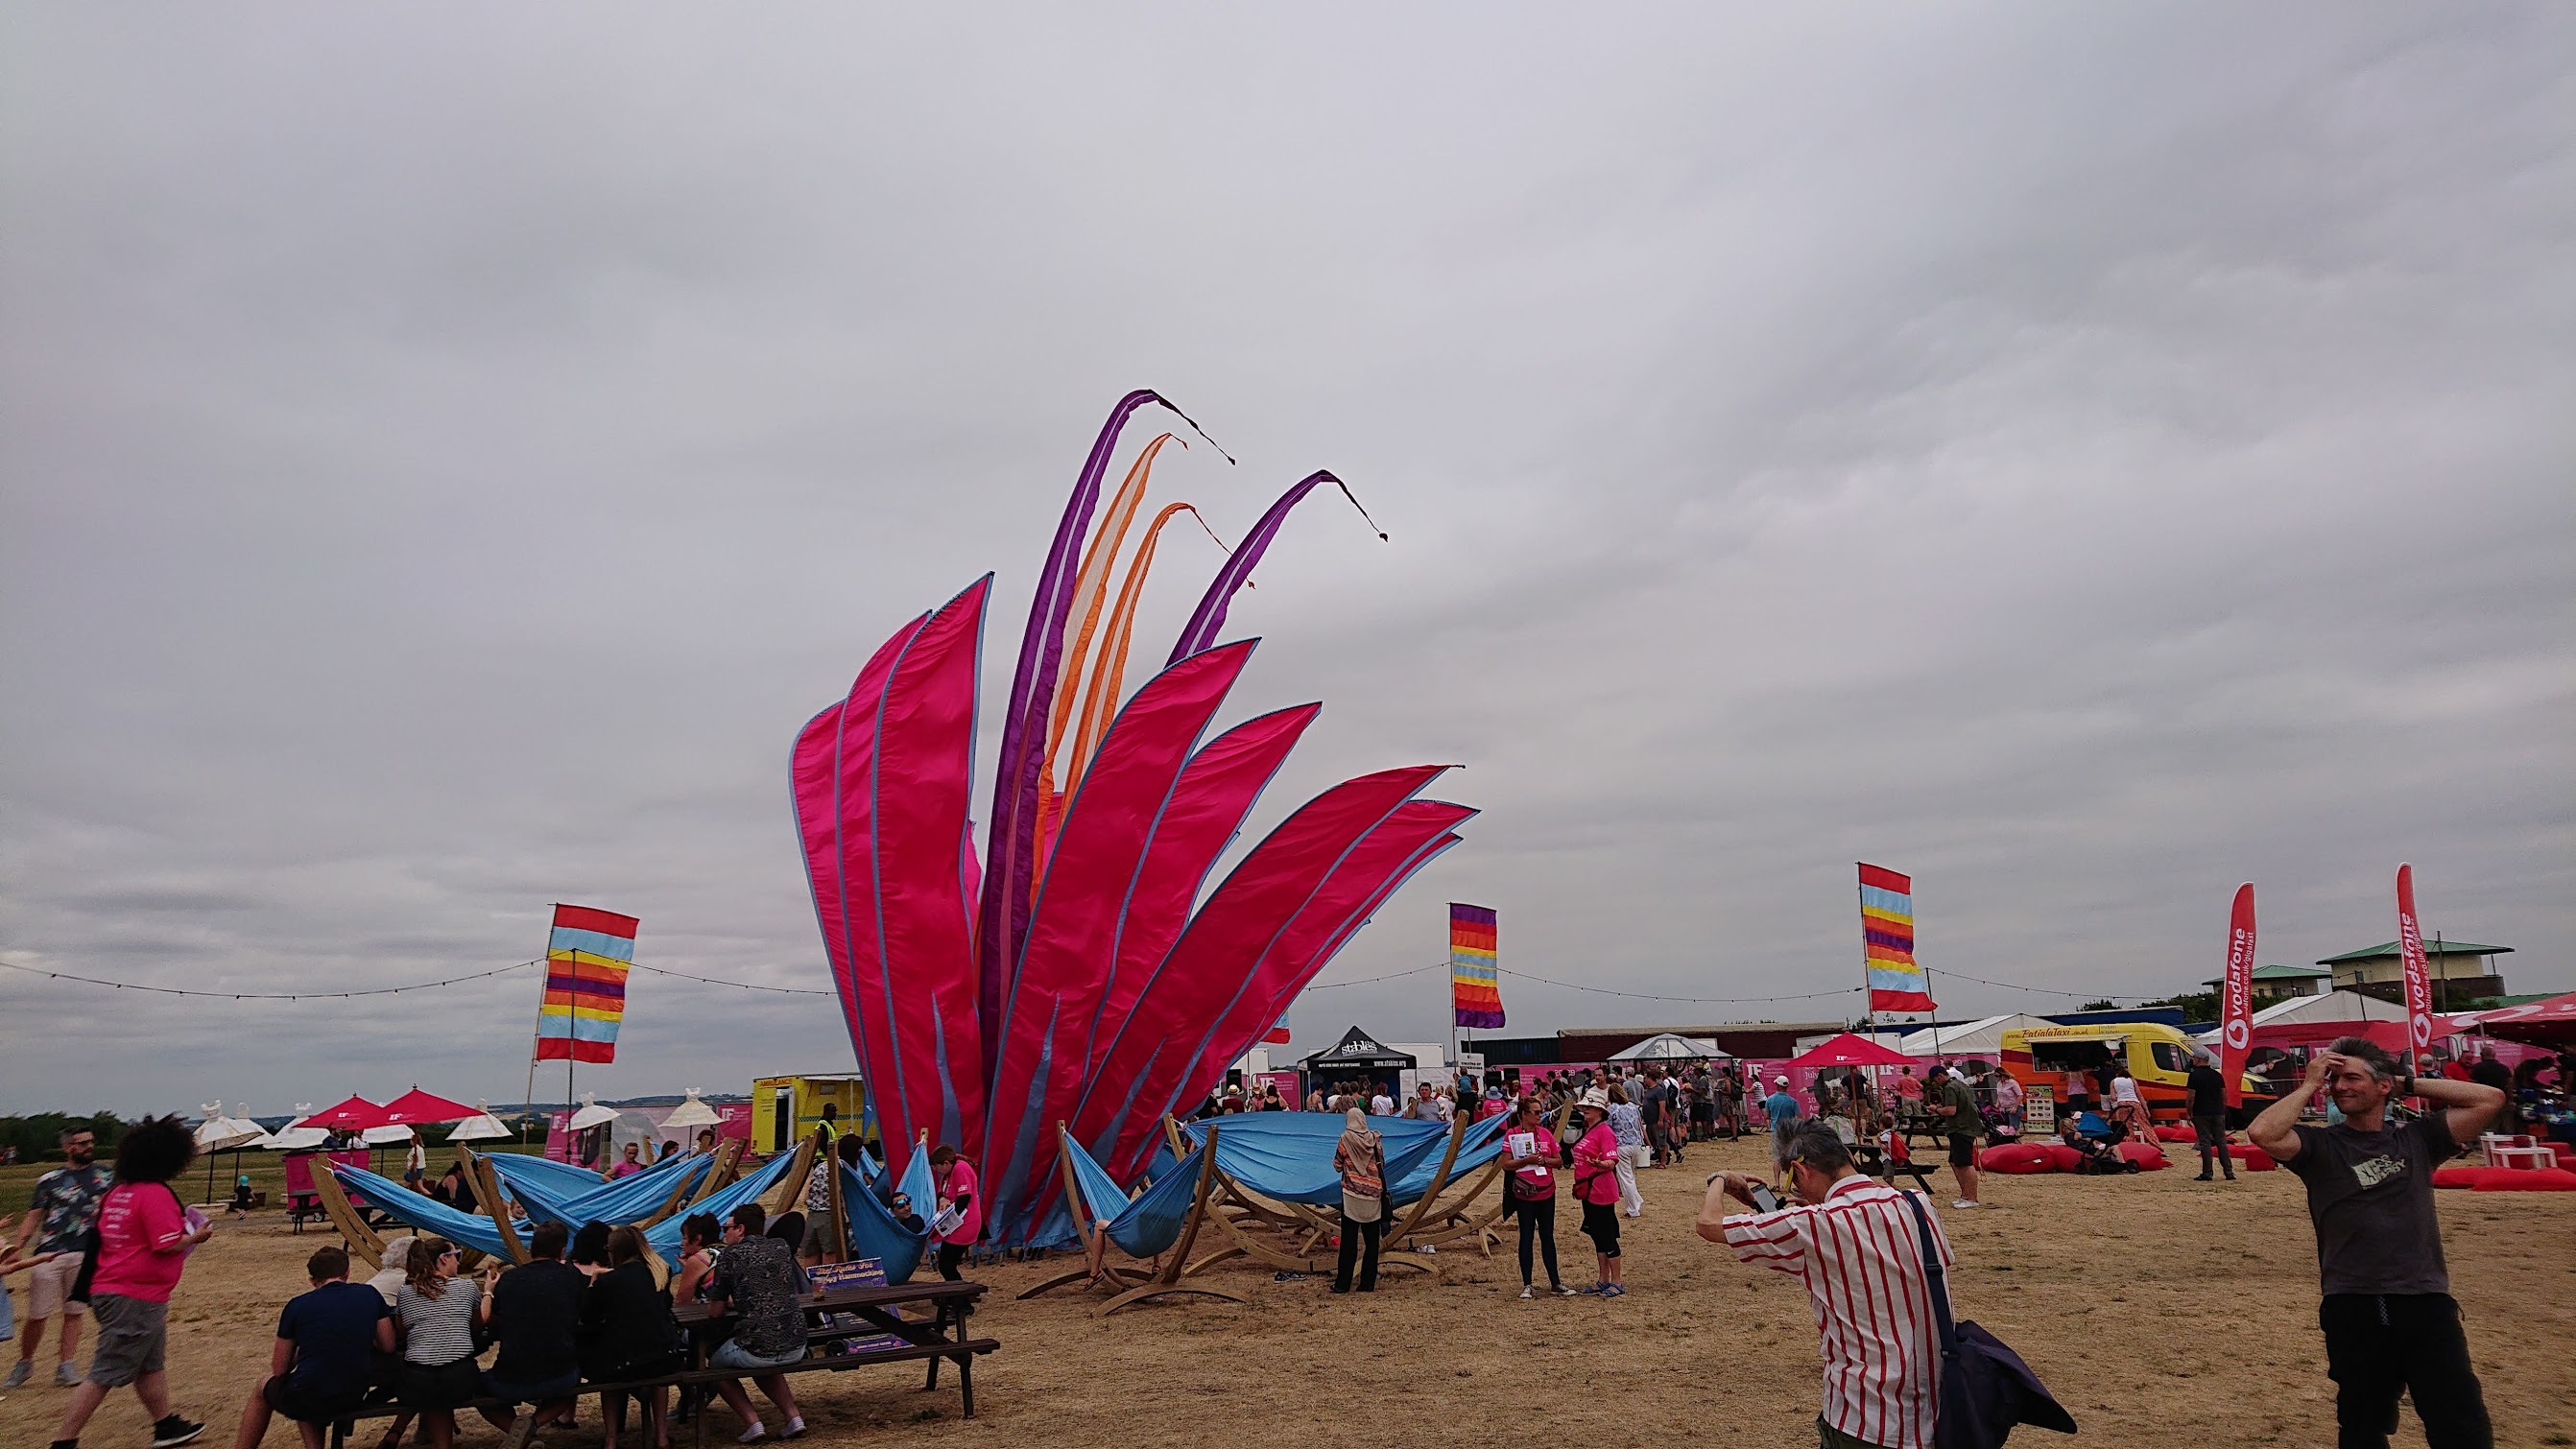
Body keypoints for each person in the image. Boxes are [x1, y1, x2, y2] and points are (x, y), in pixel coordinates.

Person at [2248, 1036, 2503, 1448]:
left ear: (2383, 1086)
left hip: (2423, 1299)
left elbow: (2488, 1099)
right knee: (2363, 1426)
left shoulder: (2419, 1139)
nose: (2340, 1086)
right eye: (2335, 1079)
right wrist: (2309, 1084)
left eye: (2352, 1078)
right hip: (2353, 1302)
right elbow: (2262, 1132)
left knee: (2459, 1422)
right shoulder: (2320, 1146)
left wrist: (2405, 1082)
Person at [1699, 1125, 1953, 1449]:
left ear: (1801, 1171)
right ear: (1847, 1156)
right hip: (1938, 1408)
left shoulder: (1815, 1225)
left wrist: (1720, 1179)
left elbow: (1708, 1225)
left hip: (1864, 1417)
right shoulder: (1917, 1205)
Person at [51, 1114, 212, 1449]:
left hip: (113, 1289)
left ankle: (166, 1425)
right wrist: (197, 1236)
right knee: (104, 1373)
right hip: (135, 1297)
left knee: (149, 1365)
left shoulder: (117, 1193)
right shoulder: (154, 1194)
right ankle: (64, 1441)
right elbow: (165, 1242)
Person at [231, 1247, 392, 1449]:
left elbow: (279, 1369)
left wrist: (305, 1351)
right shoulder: (369, 1295)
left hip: (310, 1393)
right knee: (312, 1383)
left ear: (312, 1280)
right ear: (347, 1272)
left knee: (271, 1386)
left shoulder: (297, 1306)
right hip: (354, 1392)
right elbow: (388, 1344)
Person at [11, 1126, 108, 1390]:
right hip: (49, 1254)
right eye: (81, 1143)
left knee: (74, 1312)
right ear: (67, 1147)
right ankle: (25, 1362)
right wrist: (17, 1247)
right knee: (37, 1313)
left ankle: (66, 1365)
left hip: (85, 1253)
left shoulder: (105, 1176)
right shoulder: (49, 1180)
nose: (88, 1146)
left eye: (90, 1141)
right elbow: (34, 1216)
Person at [479, 1220, 585, 1449]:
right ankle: (532, 1426)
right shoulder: (571, 1276)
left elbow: (496, 1323)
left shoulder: (509, 1279)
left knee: (477, 1389)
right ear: (562, 1250)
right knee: (572, 1386)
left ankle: (519, 1430)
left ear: (531, 1248)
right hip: (559, 1374)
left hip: (510, 1375)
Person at [705, 1204, 806, 1442]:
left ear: (740, 1229)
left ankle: (753, 1422)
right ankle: (793, 1417)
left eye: (726, 1228)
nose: (724, 1234)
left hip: (760, 1345)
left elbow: (715, 1312)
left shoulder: (730, 1256)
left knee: (715, 1369)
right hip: (796, 1343)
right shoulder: (781, 1247)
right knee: (764, 1352)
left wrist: (734, 1301)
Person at [582, 1225, 681, 1449]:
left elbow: (588, 1317)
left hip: (623, 1364)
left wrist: (593, 1282)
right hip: (664, 1358)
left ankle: (611, 1439)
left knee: (607, 1378)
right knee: (658, 1378)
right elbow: (665, 1307)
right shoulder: (659, 1273)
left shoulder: (609, 1282)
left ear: (614, 1251)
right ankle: (662, 1436)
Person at [393, 1238, 480, 1449]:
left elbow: (403, 1331)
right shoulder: (467, 1287)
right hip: (459, 1375)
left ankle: (442, 1444)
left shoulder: (405, 1292)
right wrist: (487, 1294)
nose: (459, 1262)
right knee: (462, 1377)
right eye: (457, 1255)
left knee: (434, 1389)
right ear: (443, 1259)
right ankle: (522, 1429)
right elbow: (477, 1324)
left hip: (420, 1377)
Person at [1498, 1100, 1574, 1298]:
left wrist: (1544, 1160)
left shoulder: (1546, 1134)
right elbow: (1506, 1164)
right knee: (1526, 1236)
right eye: (1535, 1112)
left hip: (1547, 1191)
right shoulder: (1512, 1134)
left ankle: (1555, 1282)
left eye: (1540, 1112)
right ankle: (1527, 1283)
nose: (1539, 1115)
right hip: (1524, 1193)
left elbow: (1559, 1161)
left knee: (1547, 1237)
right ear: (1524, 1114)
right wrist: (1526, 1161)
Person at [1568, 1090, 1624, 1296]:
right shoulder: (1589, 1129)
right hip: (1588, 1191)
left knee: (1607, 1235)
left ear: (1599, 1110)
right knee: (1597, 1235)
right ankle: (1603, 1279)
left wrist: (1602, 1164)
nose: (1584, 1111)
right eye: (1584, 1107)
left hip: (1601, 1190)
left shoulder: (1604, 1132)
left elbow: (1612, 1159)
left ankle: (1616, 1282)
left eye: (1588, 1108)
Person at [1329, 1108, 1387, 1294]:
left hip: (1352, 1195)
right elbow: (1382, 1164)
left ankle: (1342, 1284)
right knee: (1372, 1243)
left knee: (1349, 1242)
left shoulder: (1345, 1140)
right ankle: (1367, 1283)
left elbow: (1337, 1166)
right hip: (1373, 1195)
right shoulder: (1375, 1140)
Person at [1927, 1066, 1985, 1209]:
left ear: (1940, 1076)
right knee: (1954, 1162)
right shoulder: (1961, 1084)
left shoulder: (1950, 1088)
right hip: (1965, 1127)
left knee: (1965, 1164)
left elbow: (1951, 1110)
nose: (1936, 1083)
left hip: (1961, 1128)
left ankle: (1971, 1198)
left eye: (1935, 1080)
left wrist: (1937, 1109)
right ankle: (1965, 1195)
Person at [929, 1145, 980, 1282]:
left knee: (946, 1266)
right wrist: (942, 1198)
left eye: (936, 1167)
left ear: (945, 1163)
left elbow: (964, 1198)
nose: (935, 1170)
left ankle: (961, 1300)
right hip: (955, 1225)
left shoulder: (960, 1168)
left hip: (964, 1224)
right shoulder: (948, 1173)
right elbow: (941, 1191)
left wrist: (943, 1222)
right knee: (946, 1265)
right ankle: (957, 1297)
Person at [2185, 1049, 2235, 1182]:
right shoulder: (2216, 1075)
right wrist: (2222, 1109)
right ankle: (2229, 1172)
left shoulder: (2194, 1076)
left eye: (2194, 1058)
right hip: (2217, 1111)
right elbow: (2224, 1094)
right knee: (2221, 1142)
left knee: (2205, 1142)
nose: (2192, 1060)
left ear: (2199, 1059)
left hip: (2201, 1112)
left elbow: (2191, 1097)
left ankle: (2207, 1173)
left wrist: (2189, 1112)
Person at [1606, 1084, 1647, 1217]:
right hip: (1636, 1144)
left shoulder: (1612, 1109)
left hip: (1621, 1145)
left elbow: (1607, 1128)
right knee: (1631, 1176)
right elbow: (1639, 1124)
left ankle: (1633, 1209)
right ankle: (1636, 1200)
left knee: (1625, 1178)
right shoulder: (1633, 1106)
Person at [1764, 1076, 1805, 1195]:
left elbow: (1766, 1116)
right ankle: (1792, 1183)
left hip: (1776, 1131)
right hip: (1790, 1132)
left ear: (1777, 1085)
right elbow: (1799, 1118)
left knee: (1777, 1157)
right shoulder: (1792, 1101)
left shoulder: (1770, 1100)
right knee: (1793, 1158)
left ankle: (1777, 1183)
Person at [2467, 1048, 2514, 1136]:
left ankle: (2489, 1142)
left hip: (2483, 1099)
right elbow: (2510, 1084)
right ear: (2494, 1055)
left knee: (2488, 1124)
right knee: (2506, 1123)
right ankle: (2508, 1142)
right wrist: (2510, 1098)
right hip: (2501, 1098)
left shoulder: (2477, 1068)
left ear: (2481, 1055)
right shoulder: (2504, 1068)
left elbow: (2472, 1084)